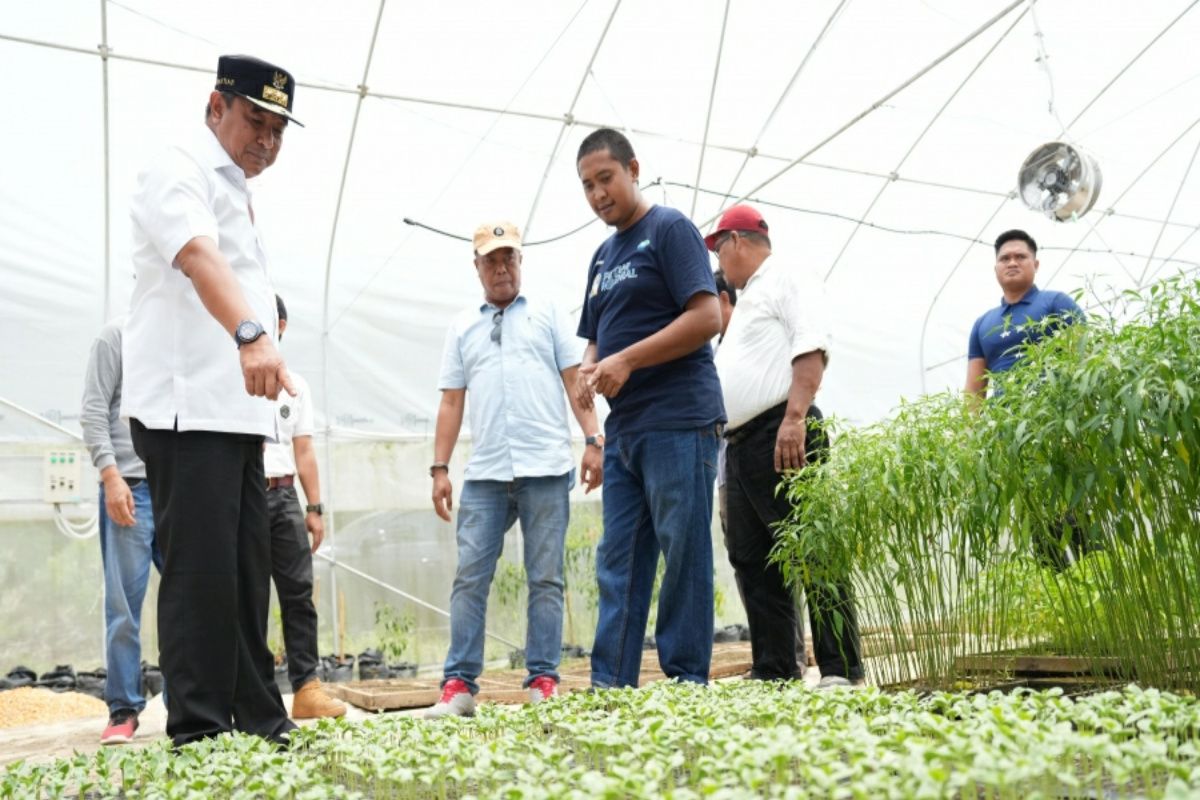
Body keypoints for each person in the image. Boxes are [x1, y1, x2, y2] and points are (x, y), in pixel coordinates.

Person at [122, 54, 303, 747]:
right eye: (255, 120)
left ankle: (259, 719)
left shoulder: (234, 186)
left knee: (245, 573)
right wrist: (252, 333)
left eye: (278, 130)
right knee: (200, 574)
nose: (266, 139)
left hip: (232, 414)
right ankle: (197, 730)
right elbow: (199, 256)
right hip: (184, 406)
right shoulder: (181, 167)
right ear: (216, 106)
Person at [424, 221, 603, 719]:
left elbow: (576, 383)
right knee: (469, 576)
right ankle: (459, 686)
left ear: (521, 262)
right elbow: (451, 401)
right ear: (477, 266)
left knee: (545, 578)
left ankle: (542, 679)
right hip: (485, 474)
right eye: (491, 259)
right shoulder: (462, 326)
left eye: (510, 258)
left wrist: (594, 440)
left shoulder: (546, 314)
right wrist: (439, 468)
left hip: (545, 465)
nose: (502, 267)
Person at [574, 128, 725, 689]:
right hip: (627, 429)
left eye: (606, 179)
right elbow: (595, 338)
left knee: (683, 554)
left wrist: (628, 361)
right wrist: (592, 369)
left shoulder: (669, 229)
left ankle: (688, 682)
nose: (597, 195)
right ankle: (609, 687)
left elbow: (707, 317)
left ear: (633, 169)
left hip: (680, 418)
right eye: (587, 186)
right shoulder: (602, 256)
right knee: (619, 561)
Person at [709, 204, 863, 687]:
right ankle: (775, 667)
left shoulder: (786, 276)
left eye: (718, 249)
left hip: (783, 428)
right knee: (752, 558)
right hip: (741, 443)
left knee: (812, 552)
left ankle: (840, 667)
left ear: (735, 241)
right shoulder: (750, 295)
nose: (718, 262)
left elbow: (811, 345)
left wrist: (795, 417)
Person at [966, 229, 1089, 567]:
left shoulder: (1056, 302)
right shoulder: (983, 324)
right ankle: (1057, 585)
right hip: (1012, 434)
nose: (1012, 262)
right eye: (1004, 258)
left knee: (1074, 507)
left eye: (1020, 256)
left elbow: (1085, 355)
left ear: (1035, 263)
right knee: (1036, 513)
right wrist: (971, 436)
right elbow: (975, 389)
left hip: (1058, 424)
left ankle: (1094, 579)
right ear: (995, 269)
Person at [80, 318, 164, 744]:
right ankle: (123, 708)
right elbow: (94, 410)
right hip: (129, 487)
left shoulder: (178, 340)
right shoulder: (115, 337)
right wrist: (110, 477)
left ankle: (187, 699)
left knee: (190, 598)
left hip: (177, 489)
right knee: (123, 608)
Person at [264, 295, 345, 719]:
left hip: (284, 496)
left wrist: (314, 507)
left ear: (279, 325)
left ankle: (307, 688)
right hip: (244, 494)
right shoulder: (230, 377)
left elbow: (305, 449)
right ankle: (255, 691)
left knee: (298, 592)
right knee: (249, 596)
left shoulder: (296, 384)